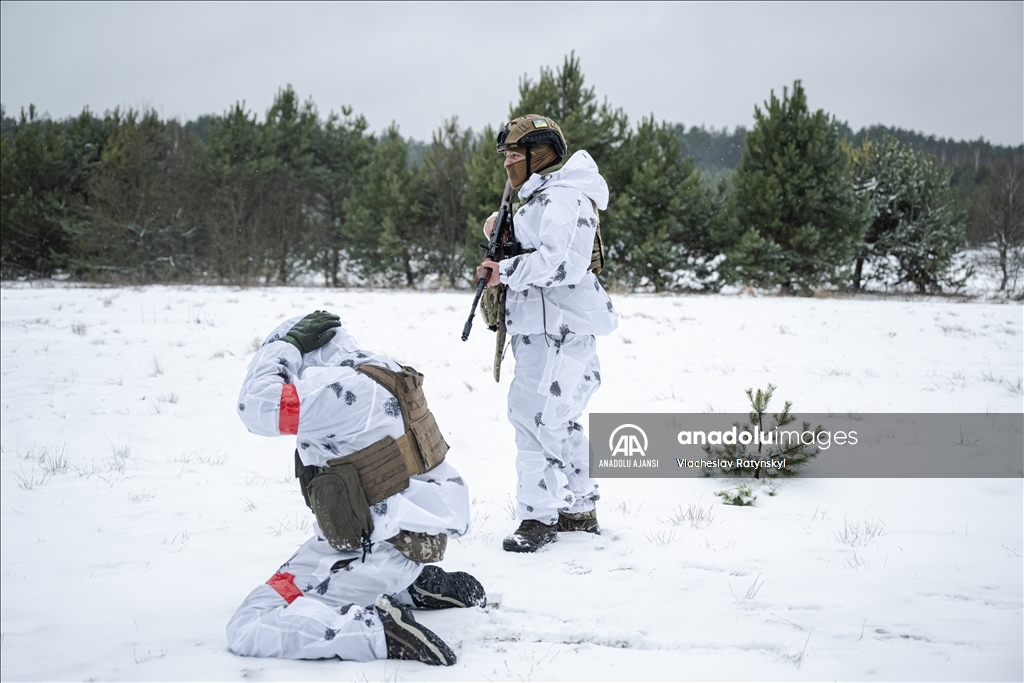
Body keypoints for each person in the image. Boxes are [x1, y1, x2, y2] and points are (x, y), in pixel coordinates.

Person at [227, 311, 484, 666]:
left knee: (249, 623)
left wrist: (282, 349)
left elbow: (254, 407)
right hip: (408, 538)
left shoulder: (333, 391)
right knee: (293, 578)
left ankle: (377, 632)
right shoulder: (379, 369)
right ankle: (409, 587)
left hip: (370, 553)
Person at [476, 115, 618, 553]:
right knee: (554, 420)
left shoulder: (563, 198)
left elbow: (562, 264)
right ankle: (578, 507)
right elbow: (533, 247)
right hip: (537, 329)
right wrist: (500, 230)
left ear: (542, 154)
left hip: (560, 328)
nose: (509, 163)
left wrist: (506, 270)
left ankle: (538, 517)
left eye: (516, 154)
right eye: (506, 155)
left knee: (536, 420)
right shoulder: (537, 200)